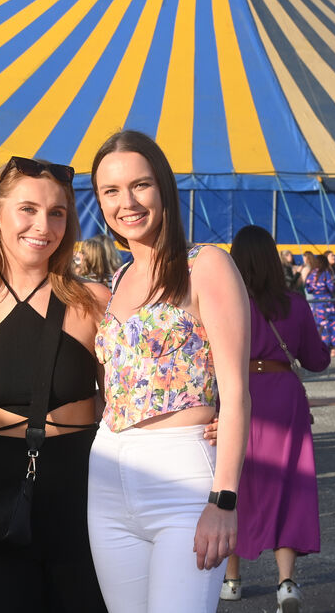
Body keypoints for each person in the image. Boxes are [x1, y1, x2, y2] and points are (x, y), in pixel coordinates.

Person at [0, 155, 110, 612]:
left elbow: (125, 401)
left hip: (84, 490)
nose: (43, 226)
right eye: (28, 209)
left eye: (57, 212)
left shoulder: (94, 302)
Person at [87, 130, 251, 613]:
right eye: (111, 190)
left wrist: (223, 500)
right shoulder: (118, 278)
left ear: (163, 188)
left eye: (140, 185)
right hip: (107, 476)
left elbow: (236, 393)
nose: (127, 202)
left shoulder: (206, 265)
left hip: (182, 479)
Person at [219, 225, 329, 612]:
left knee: (233, 483)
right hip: (285, 399)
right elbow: (317, 360)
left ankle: (232, 580)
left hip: (238, 396)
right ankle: (286, 583)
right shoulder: (294, 304)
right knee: (289, 487)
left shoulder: (225, 304)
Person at [304, 250, 335, 356]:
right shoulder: (325, 273)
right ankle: (331, 349)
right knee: (330, 325)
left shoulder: (311, 273)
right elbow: (331, 287)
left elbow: (308, 288)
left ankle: (319, 349)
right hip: (327, 302)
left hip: (316, 303)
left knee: (318, 326)